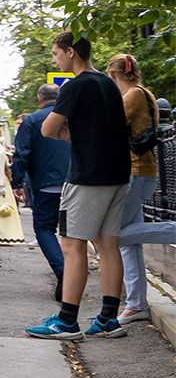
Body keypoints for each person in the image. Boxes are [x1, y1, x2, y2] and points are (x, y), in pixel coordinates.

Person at [26, 32, 130, 341]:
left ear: (71, 52)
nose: (55, 59)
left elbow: (47, 128)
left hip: (87, 176)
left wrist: (66, 134)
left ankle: (66, 320)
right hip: (117, 172)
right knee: (108, 245)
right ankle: (108, 319)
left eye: (56, 54)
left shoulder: (76, 85)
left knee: (71, 245)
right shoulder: (107, 83)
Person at [106, 54, 176, 324]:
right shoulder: (144, 92)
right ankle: (136, 304)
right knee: (128, 242)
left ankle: (172, 230)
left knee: (114, 236)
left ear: (113, 75)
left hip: (135, 172)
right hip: (143, 172)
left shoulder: (132, 95)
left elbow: (111, 125)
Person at [13, 83, 72, 298]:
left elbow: (22, 153)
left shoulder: (32, 120)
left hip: (45, 185)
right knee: (72, 232)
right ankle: (73, 275)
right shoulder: (71, 117)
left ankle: (63, 270)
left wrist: (17, 183)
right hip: (75, 183)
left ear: (40, 98)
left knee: (44, 229)